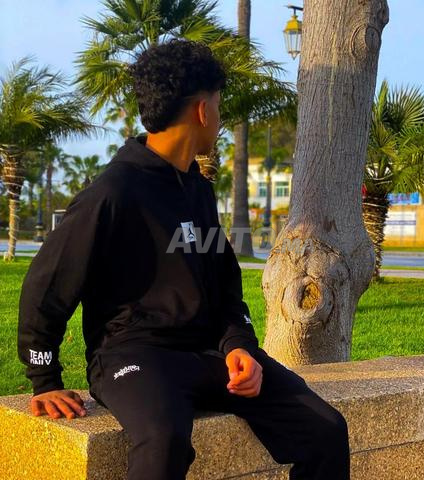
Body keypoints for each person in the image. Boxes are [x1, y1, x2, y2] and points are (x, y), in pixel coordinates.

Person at [17, 39, 350, 480]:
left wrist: (240, 346)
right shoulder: (113, 192)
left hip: (208, 354)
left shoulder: (198, 191)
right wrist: (45, 381)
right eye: (219, 104)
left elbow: (225, 288)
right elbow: (46, 286)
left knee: (326, 430)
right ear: (202, 110)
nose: (220, 117)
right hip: (133, 356)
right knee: (163, 441)